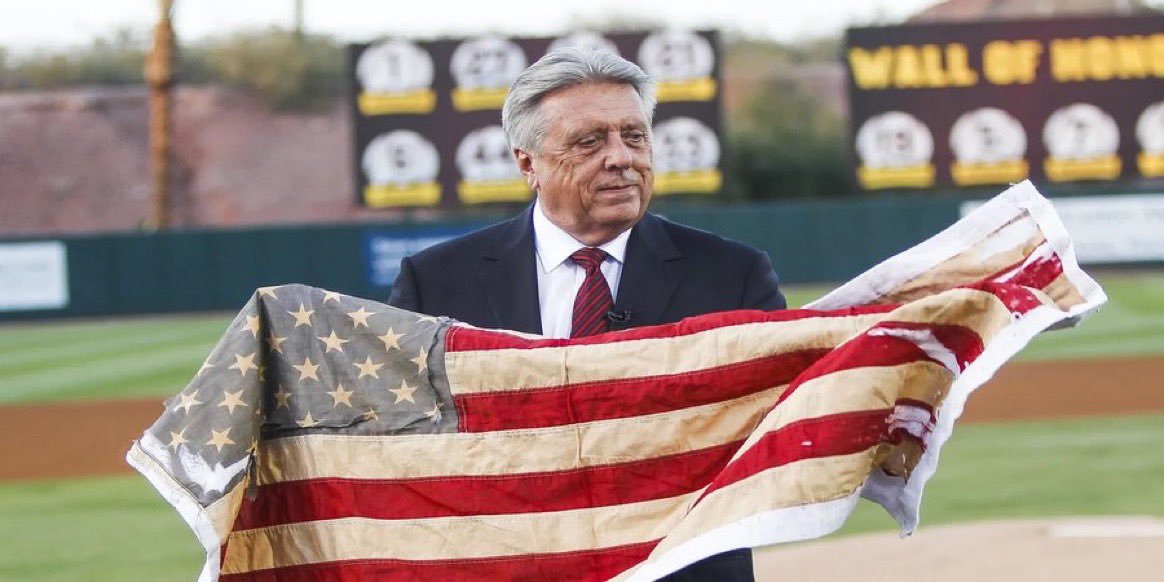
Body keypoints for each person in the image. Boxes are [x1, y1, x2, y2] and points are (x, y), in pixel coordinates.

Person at [388, 47, 785, 581]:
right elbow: (401, 450)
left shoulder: (732, 276)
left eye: (635, 135)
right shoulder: (434, 282)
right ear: (527, 162)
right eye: (589, 141)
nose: (621, 157)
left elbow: (778, 432)